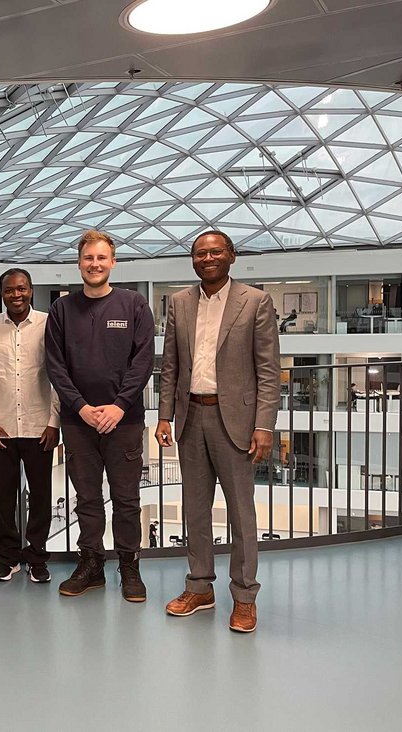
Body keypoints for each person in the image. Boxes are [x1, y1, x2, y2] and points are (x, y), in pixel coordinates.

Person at [156, 230, 281, 633]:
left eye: (214, 252)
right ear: (192, 260)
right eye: (199, 253)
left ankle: (244, 597)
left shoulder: (255, 301)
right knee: (195, 510)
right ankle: (200, 587)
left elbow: (268, 370)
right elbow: (170, 366)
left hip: (237, 423)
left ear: (231, 255)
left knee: (241, 513)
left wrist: (264, 425)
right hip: (191, 417)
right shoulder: (179, 302)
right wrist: (164, 416)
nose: (207, 258)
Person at [45, 230, 155, 601]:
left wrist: (119, 405)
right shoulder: (62, 310)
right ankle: (91, 565)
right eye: (88, 258)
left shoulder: (133, 304)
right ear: (79, 263)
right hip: (79, 422)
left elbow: (143, 361)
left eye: (101, 258)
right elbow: (55, 365)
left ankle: (129, 566)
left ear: (113, 262)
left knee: (127, 500)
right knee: (87, 498)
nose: (95, 264)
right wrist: (82, 407)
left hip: (124, 421)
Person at [0, 267, 59, 584]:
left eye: (21, 288)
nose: (16, 294)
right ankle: (7, 558)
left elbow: (59, 377)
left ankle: (37, 557)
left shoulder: (49, 324)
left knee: (41, 496)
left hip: (40, 426)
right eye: (10, 290)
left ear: (31, 290)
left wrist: (54, 422)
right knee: (3, 497)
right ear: (2, 293)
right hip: (3, 429)